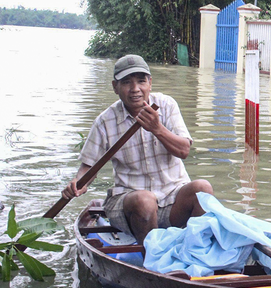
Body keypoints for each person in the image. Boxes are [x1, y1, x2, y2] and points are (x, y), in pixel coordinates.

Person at [63, 54, 213, 244]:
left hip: (172, 200)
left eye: (141, 81)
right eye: (126, 83)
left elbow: (183, 151)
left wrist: (157, 129)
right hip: (131, 204)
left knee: (203, 189)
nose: (135, 89)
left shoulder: (167, 106)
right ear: (115, 87)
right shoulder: (104, 121)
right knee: (145, 200)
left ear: (150, 83)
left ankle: (195, 251)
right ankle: (151, 256)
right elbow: (88, 166)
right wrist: (78, 183)